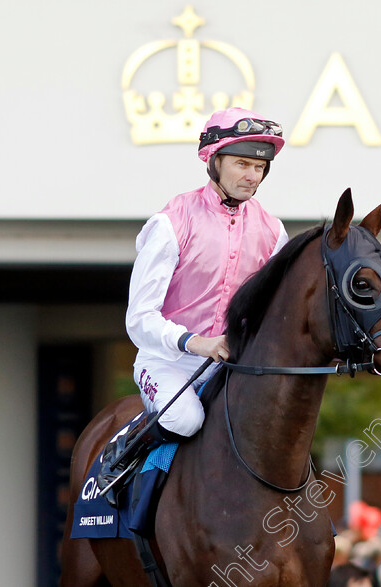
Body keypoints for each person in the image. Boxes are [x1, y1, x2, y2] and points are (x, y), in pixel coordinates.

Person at [97, 107, 289, 504]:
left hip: (232, 365)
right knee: (185, 420)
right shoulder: (171, 222)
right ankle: (125, 456)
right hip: (167, 362)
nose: (252, 175)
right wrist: (195, 343)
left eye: (259, 166)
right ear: (213, 160)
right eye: (241, 164)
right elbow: (139, 319)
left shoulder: (273, 231)